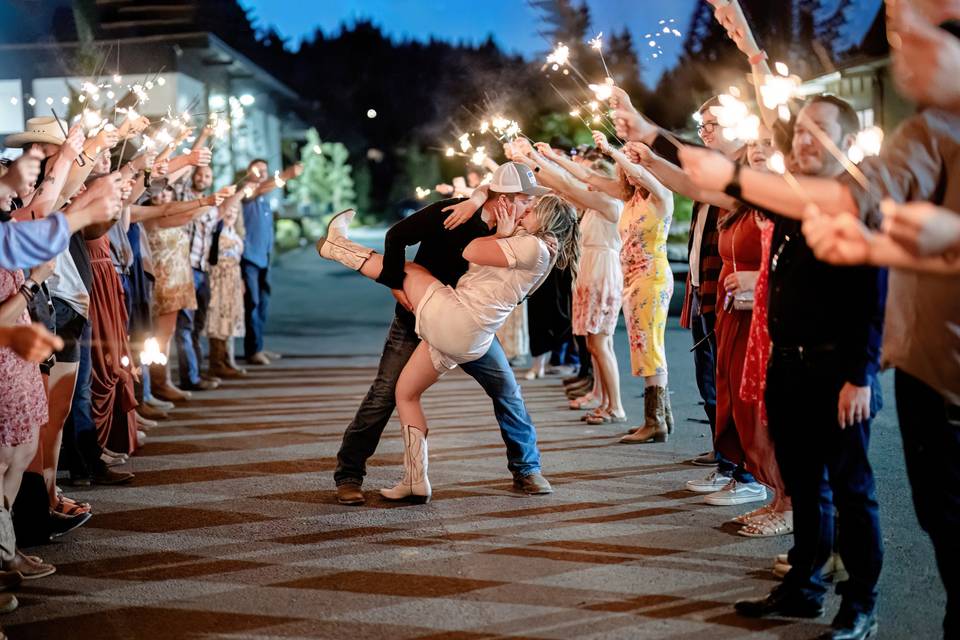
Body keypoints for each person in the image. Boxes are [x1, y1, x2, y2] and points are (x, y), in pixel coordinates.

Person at [681, 95, 886, 640]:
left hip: (839, 372)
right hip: (788, 368)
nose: (805, 138)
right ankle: (803, 586)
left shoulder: (854, 197)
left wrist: (861, 374)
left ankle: (859, 604)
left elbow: (874, 294)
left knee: (852, 491)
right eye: (801, 129)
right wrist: (654, 140)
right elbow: (716, 187)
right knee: (804, 485)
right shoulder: (791, 200)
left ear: (846, 139)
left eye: (822, 129)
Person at [319, 187, 578, 503]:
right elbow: (398, 236)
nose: (524, 208)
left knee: (507, 392)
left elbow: (480, 255)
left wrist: (500, 229)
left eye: (530, 204)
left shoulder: (519, 237)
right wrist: (475, 200)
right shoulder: (456, 212)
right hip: (428, 316)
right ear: (503, 197)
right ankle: (352, 475)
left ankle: (527, 469)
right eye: (523, 200)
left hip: (462, 321)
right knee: (389, 392)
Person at [590, 132, 676, 443]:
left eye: (634, 159)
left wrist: (613, 150)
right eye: (625, 162)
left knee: (648, 346)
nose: (628, 168)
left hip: (651, 277)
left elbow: (640, 172)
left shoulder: (661, 194)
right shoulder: (632, 198)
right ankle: (661, 417)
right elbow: (589, 179)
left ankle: (654, 421)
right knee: (645, 345)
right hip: (633, 279)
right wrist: (543, 159)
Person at [240, 159, 302, 366]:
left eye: (265, 171)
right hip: (248, 258)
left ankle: (258, 345)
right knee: (252, 304)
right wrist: (286, 175)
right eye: (257, 170)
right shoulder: (247, 193)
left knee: (263, 304)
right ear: (249, 173)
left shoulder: (264, 201)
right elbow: (258, 189)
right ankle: (252, 350)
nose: (261, 174)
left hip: (264, 259)